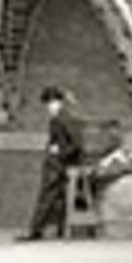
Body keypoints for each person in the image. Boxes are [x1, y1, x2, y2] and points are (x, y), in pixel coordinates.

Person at [17, 85, 88, 240]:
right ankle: (56, 229)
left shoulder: (63, 118)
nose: (48, 108)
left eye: (49, 104)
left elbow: (76, 143)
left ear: (56, 102)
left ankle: (35, 230)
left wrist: (59, 152)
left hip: (59, 164)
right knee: (58, 197)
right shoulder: (64, 117)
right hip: (63, 163)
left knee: (46, 195)